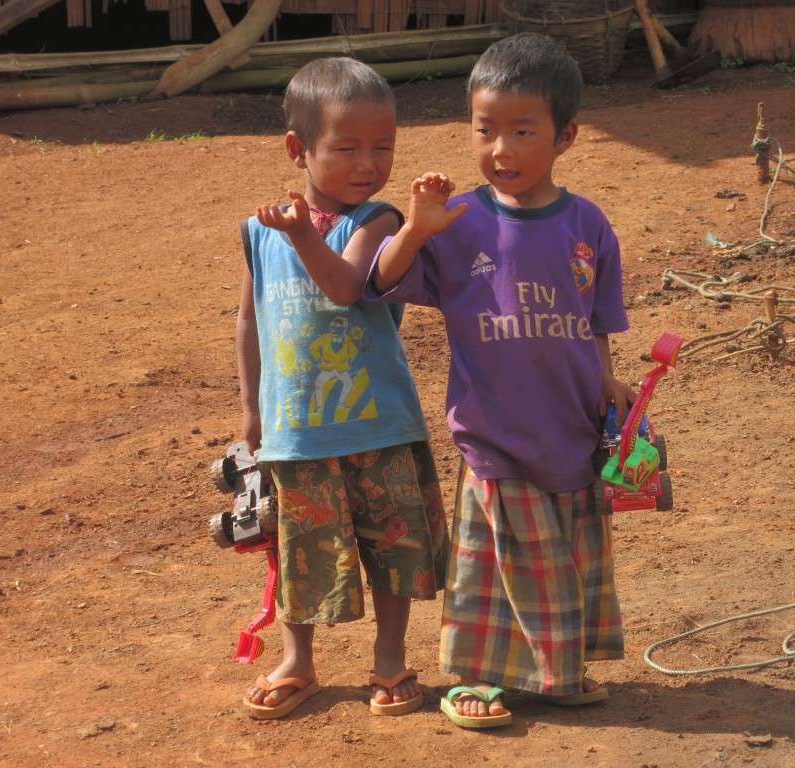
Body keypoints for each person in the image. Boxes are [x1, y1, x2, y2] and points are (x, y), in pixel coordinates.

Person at [366, 33, 635, 729]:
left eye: (523, 131)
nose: (501, 150)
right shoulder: (458, 222)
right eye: (485, 130)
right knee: (493, 563)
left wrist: (608, 380)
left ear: (566, 136)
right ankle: (476, 676)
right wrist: (418, 230)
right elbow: (382, 284)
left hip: (570, 425)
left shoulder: (587, 224)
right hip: (492, 425)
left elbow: (597, 316)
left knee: (564, 552)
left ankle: (554, 671)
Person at [236, 56, 449, 720]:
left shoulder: (380, 220)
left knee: (392, 543)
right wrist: (250, 405)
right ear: (298, 149)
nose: (368, 163)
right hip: (297, 427)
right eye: (347, 147)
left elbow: (347, 286)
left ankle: (389, 656)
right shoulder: (258, 232)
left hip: (378, 424)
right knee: (299, 547)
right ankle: (298, 658)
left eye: (382, 147)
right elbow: (250, 318)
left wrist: (303, 233)